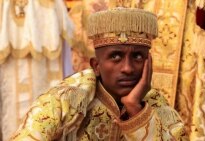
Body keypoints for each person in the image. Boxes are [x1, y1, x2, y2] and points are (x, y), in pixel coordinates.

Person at [10, 7, 188, 141]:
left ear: (149, 63)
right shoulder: (63, 101)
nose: (128, 68)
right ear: (96, 65)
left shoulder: (158, 106)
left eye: (138, 56)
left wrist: (135, 109)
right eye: (116, 56)